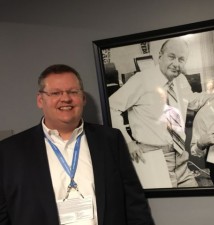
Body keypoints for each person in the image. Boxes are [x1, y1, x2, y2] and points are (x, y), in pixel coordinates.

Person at [0, 64, 155, 225]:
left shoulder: (110, 140)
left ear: (83, 98)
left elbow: (135, 205)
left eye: (73, 92)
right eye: (55, 93)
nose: (66, 98)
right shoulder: (10, 151)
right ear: (40, 100)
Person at [109, 38, 212, 188]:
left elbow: (192, 101)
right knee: (166, 207)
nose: (176, 64)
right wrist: (128, 142)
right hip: (154, 157)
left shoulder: (180, 79)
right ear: (160, 56)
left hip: (181, 156)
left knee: (193, 201)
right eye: (172, 57)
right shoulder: (141, 79)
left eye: (181, 59)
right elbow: (111, 107)